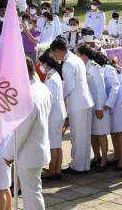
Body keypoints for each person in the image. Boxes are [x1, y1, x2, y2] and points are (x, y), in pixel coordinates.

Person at [4, 57, 52, 210]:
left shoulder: (29, 95)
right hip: (37, 147)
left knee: (31, 195)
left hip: (29, 152)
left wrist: (8, 153)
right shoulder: (42, 88)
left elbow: (22, 129)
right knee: (33, 193)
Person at [50, 37, 94, 173]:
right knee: (84, 136)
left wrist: (59, 97)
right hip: (85, 100)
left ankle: (78, 166)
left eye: (53, 53)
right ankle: (84, 164)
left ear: (58, 50)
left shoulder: (68, 63)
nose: (53, 56)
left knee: (78, 136)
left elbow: (69, 86)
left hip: (78, 103)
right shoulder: (76, 58)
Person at [77, 45, 110, 172]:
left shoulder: (95, 67)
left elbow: (101, 89)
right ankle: (96, 156)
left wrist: (100, 107)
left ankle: (104, 159)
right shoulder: (84, 66)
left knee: (101, 133)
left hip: (98, 104)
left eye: (78, 55)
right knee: (93, 133)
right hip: (90, 105)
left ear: (84, 56)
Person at [39, 51, 67, 180]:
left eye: (41, 64)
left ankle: (52, 170)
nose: (40, 67)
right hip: (58, 114)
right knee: (57, 144)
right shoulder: (54, 74)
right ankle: (57, 170)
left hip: (54, 115)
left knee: (52, 145)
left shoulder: (51, 78)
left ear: (45, 64)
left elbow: (51, 100)